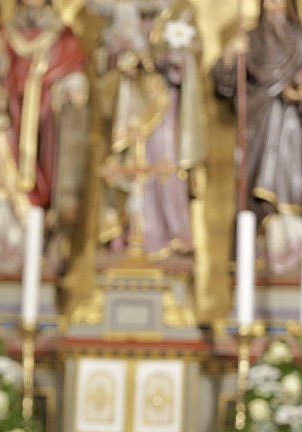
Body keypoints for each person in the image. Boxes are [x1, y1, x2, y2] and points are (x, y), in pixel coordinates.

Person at [212, 0, 302, 275]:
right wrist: (229, 54)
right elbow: (226, 87)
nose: (273, 7)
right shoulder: (248, 41)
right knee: (256, 191)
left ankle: (291, 251)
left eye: (279, 1)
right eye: (268, 1)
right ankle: (258, 251)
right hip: (258, 130)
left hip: (293, 132)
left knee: (293, 187)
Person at [0, 0, 89, 276]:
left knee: (48, 180)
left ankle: (42, 242)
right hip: (11, 121)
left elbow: (74, 70)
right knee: (4, 176)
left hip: (46, 128)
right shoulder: (4, 34)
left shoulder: (62, 37)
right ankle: (5, 245)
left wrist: (73, 87)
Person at [94, 0, 205, 260]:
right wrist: (116, 53)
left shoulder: (181, 12)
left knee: (166, 164)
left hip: (165, 102)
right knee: (130, 165)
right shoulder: (121, 10)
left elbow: (194, 54)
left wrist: (176, 60)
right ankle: (130, 231)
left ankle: (171, 230)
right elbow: (101, 60)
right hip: (127, 105)